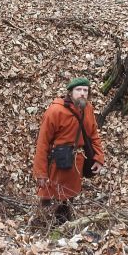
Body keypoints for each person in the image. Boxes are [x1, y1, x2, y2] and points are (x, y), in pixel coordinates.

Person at [32, 77, 106, 223]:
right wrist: (40, 172)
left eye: (85, 90)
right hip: (56, 163)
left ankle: (63, 229)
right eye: (78, 90)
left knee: (68, 200)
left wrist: (99, 157)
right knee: (49, 198)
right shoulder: (55, 111)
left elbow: (93, 135)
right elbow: (43, 143)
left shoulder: (88, 109)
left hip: (76, 163)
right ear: (70, 92)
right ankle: (42, 229)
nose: (82, 93)